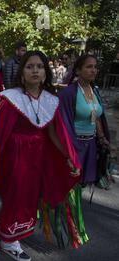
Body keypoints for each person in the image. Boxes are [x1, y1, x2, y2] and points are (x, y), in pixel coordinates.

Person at [0, 51, 82, 260]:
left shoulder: (51, 100)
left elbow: (52, 133)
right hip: (14, 155)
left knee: (29, 195)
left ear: (45, 72)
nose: (35, 70)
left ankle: (12, 232)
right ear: (22, 73)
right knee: (14, 193)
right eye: (30, 66)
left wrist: (67, 156)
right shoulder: (10, 98)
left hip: (37, 155)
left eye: (40, 67)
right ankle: (8, 238)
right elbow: (0, 131)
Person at [59, 54, 112, 190]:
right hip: (74, 147)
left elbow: (94, 114)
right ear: (77, 71)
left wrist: (101, 137)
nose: (93, 70)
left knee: (79, 186)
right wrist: (70, 153)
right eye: (89, 67)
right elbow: (63, 125)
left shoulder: (94, 91)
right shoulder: (68, 94)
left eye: (95, 67)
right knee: (67, 187)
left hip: (90, 145)